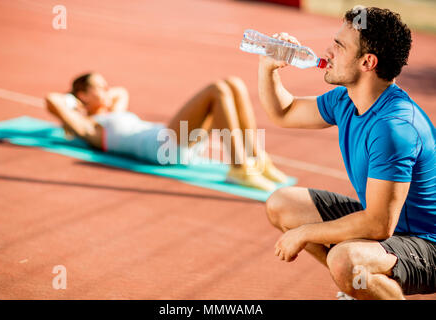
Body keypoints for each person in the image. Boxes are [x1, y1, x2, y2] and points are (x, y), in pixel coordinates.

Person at [260, 7, 435, 299]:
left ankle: (359, 283)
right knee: (283, 203)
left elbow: (379, 224)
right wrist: (268, 68)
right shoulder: (346, 99)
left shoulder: (394, 128)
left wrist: (304, 233)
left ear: (367, 62)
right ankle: (360, 290)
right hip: (388, 229)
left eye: (339, 47)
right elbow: (285, 111)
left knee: (346, 261)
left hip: (426, 244)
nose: (328, 52)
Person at [45, 73, 288, 191]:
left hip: (175, 143)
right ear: (83, 96)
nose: (108, 89)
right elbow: (52, 100)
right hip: (162, 148)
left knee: (233, 84)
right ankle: (238, 168)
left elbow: (121, 92)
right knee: (217, 89)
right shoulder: (89, 127)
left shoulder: (111, 112)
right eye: (99, 87)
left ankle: (256, 161)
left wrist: (99, 98)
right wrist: (73, 102)